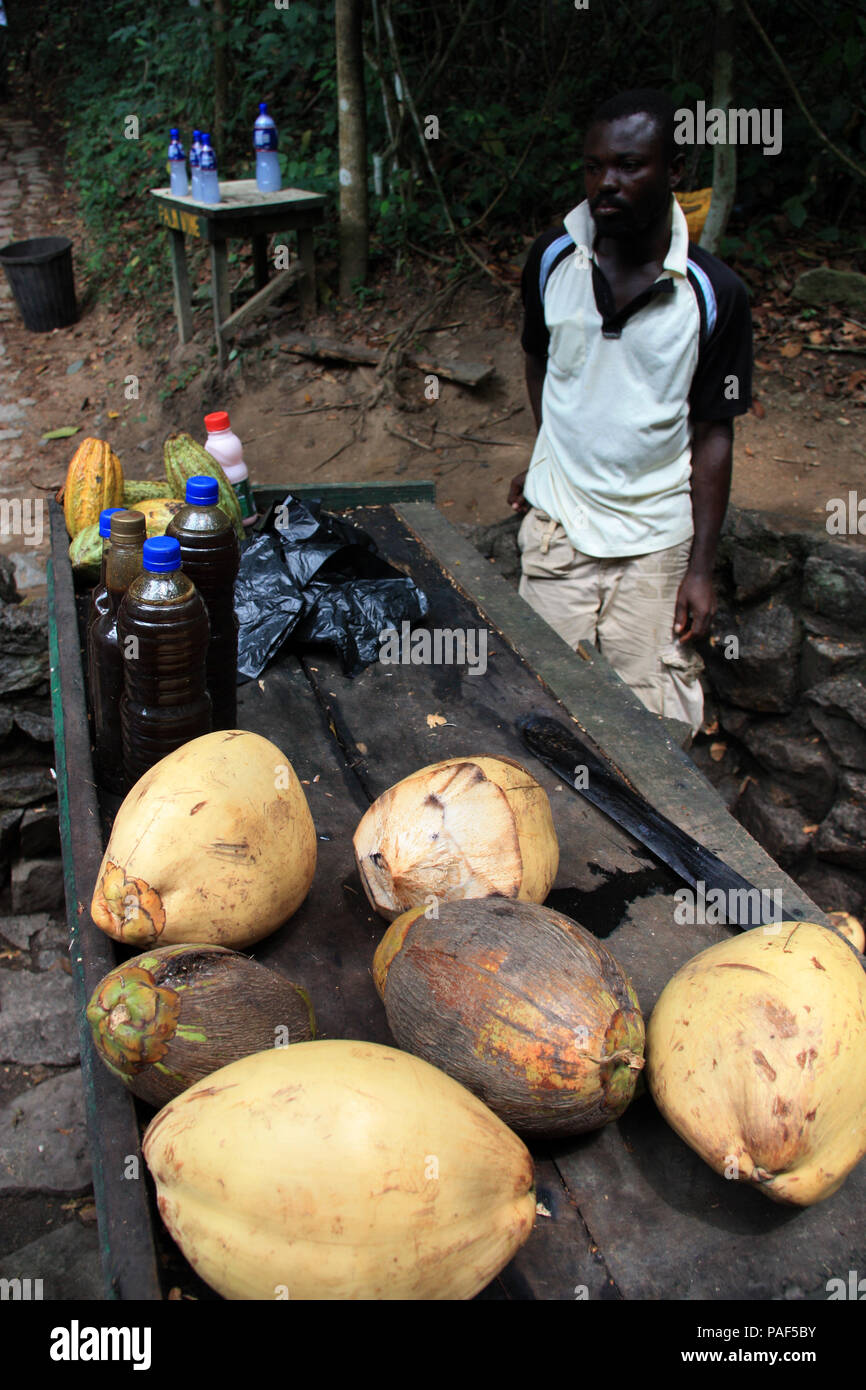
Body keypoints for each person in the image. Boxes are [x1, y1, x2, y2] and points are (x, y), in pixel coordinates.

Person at [509, 88, 752, 736]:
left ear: (674, 170)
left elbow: (713, 432)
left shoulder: (714, 294)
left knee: (657, 731)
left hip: (656, 547)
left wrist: (701, 568)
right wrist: (546, 456)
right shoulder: (551, 260)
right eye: (592, 167)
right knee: (539, 713)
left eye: (627, 166)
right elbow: (540, 361)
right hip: (558, 533)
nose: (604, 183)